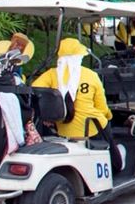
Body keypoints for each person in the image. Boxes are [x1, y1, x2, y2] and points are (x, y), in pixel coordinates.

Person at [33, 38, 123, 172]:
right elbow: (102, 107)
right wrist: (108, 115)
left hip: (62, 129)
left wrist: (49, 115)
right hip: (91, 127)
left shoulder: (51, 75)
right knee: (107, 126)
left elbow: (35, 90)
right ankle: (117, 165)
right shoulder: (91, 75)